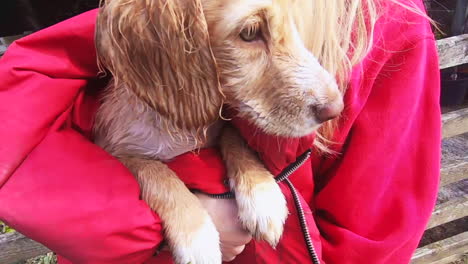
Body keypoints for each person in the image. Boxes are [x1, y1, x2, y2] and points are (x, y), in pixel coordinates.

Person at [0, 0, 441, 263]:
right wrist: (151, 222)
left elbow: (377, 237)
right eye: (251, 33)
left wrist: (243, 169)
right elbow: (23, 111)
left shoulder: (390, 24)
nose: (329, 96)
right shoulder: (169, 19)